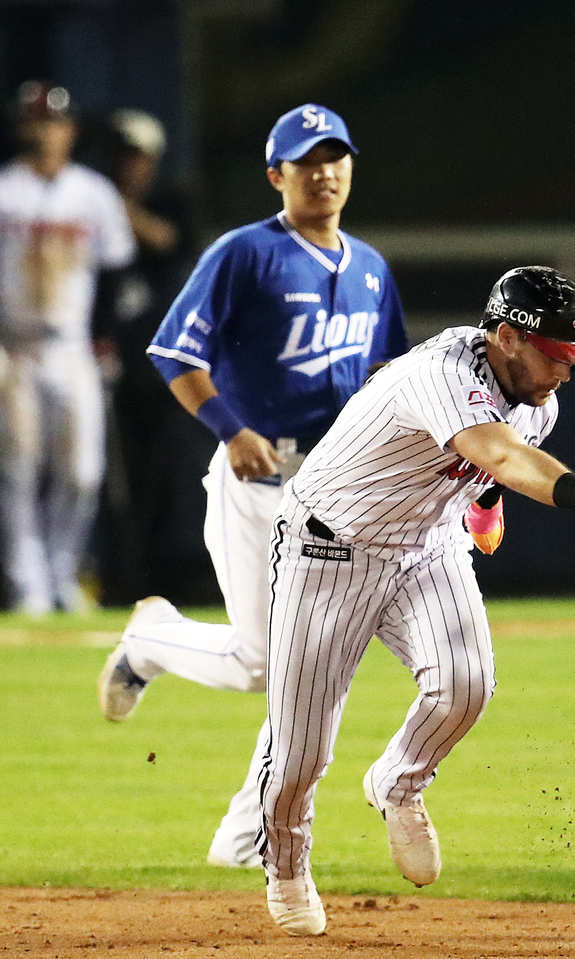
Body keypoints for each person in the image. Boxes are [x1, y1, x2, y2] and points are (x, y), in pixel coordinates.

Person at [257, 265, 575, 936]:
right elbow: (497, 451)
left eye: (574, 356)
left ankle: (397, 783)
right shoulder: (440, 370)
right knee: (300, 750)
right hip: (329, 548)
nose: (566, 371)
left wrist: (484, 508)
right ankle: (288, 867)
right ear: (506, 336)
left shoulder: (540, 402)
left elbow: (489, 467)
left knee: (467, 683)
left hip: (426, 546)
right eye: (556, 354)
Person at [94, 104, 408, 873]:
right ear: (278, 175)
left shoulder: (369, 267)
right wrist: (230, 428)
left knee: (302, 668)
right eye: (307, 161)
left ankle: (247, 834)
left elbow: (396, 380)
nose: (324, 172)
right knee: (270, 664)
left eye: (336, 157)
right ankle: (152, 638)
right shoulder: (245, 253)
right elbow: (173, 351)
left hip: (342, 491)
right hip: (261, 478)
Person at [0, 81, 135, 613]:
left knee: (82, 471)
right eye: (34, 121)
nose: (44, 131)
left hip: (73, 344)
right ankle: (26, 580)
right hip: (12, 346)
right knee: (18, 465)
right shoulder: (4, 188)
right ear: (20, 127)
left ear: (69, 129)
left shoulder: (92, 193)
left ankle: (61, 572)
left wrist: (107, 341)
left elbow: (118, 274)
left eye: (53, 121)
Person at [94, 108, 203, 604]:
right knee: (108, 482)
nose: (128, 165)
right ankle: (114, 578)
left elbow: (170, 239)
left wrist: (107, 204)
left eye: (135, 155)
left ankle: (159, 580)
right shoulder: (90, 204)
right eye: (120, 155)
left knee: (164, 479)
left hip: (161, 369)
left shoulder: (172, 199)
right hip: (105, 358)